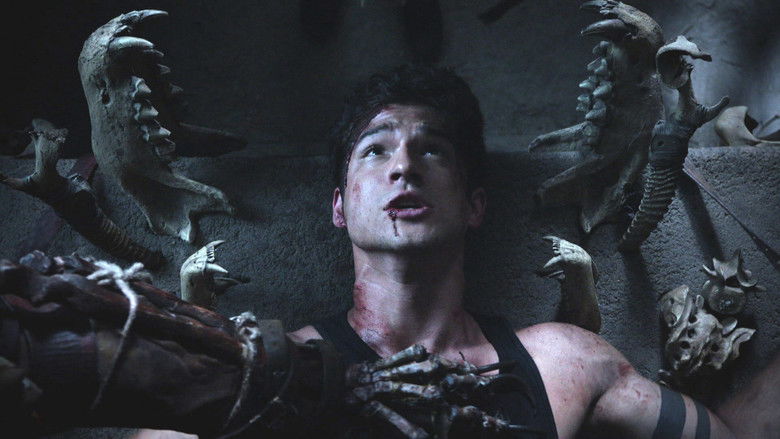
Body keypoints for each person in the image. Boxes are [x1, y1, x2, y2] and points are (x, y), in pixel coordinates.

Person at [132, 65, 777, 438]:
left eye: (433, 149)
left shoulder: (564, 362)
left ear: (474, 204)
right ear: (340, 207)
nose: (404, 165)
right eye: (375, 149)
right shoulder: (276, 370)